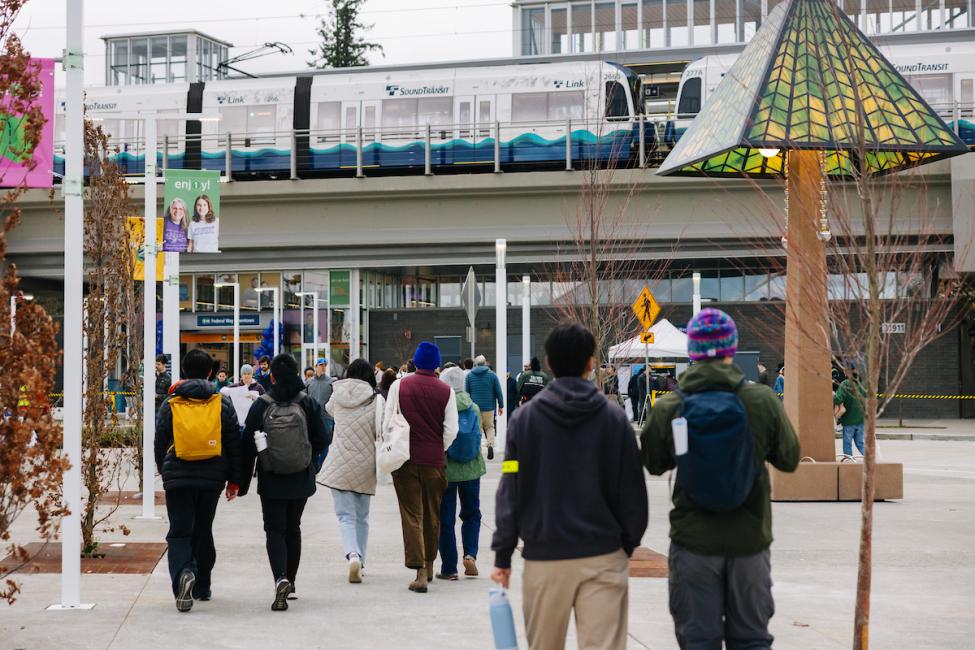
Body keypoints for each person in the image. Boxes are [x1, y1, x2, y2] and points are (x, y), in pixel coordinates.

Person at [641, 308, 800, 650]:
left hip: (693, 544)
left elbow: (653, 463)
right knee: (752, 640)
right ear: (732, 349)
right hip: (749, 543)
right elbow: (789, 459)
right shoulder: (762, 400)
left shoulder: (671, 406)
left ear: (692, 352)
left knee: (698, 641)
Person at [491, 323, 648, 650]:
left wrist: (503, 553)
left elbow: (511, 490)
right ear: (592, 362)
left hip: (544, 558)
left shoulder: (524, 421)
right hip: (604, 555)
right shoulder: (614, 419)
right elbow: (633, 490)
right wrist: (626, 545)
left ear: (548, 362)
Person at [240, 353, 331, 611]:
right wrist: (308, 457)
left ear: (272, 376)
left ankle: (279, 577)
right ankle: (290, 582)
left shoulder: (262, 403)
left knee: (274, 529)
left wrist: (242, 480)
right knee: (293, 528)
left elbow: (247, 442)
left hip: (271, 477)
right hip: (300, 476)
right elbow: (323, 438)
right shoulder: (308, 403)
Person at [154, 349, 242, 612]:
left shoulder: (170, 403)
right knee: (203, 529)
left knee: (180, 531)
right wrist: (234, 480)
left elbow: (160, 441)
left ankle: (183, 573)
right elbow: (234, 444)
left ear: (184, 370)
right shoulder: (221, 403)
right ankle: (202, 585)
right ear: (209, 373)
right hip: (211, 478)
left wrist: (165, 470)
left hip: (178, 477)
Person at [385, 341, 458, 593]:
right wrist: (439, 448)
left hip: (405, 460)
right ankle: (428, 564)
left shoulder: (398, 386)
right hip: (434, 462)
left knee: (412, 515)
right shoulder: (446, 391)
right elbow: (451, 430)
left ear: (415, 362)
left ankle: (418, 573)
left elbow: (387, 424)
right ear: (436, 364)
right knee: (432, 514)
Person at [320, 359, 383, 583]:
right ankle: (361, 561)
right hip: (366, 464)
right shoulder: (376, 400)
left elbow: (328, 410)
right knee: (362, 517)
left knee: (345, 516)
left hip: (340, 462)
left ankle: (352, 555)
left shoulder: (337, 395)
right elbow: (380, 429)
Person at [437, 366, 486, 581]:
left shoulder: (442, 407)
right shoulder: (473, 407)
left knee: (445, 519)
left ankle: (449, 568)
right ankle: (470, 555)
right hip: (472, 469)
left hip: (448, 469)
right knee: (472, 514)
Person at [464, 355, 504, 460]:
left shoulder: (470, 376)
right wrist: (501, 405)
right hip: (489, 407)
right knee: (490, 427)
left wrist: (467, 407)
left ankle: (479, 450)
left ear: (475, 363)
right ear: (485, 363)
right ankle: (490, 444)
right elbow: (498, 392)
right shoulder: (492, 375)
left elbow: (466, 393)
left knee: (478, 429)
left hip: (474, 407)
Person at [834, 371, 867, 457]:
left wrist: (832, 395)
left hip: (849, 420)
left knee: (847, 444)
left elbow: (838, 399)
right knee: (860, 443)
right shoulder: (862, 385)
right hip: (861, 419)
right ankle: (870, 459)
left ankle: (849, 462)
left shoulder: (846, 384)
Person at [306, 358, 335, 436]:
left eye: (325, 365)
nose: (323, 367)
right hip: (313, 419)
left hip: (327, 418)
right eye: (321, 365)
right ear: (316, 367)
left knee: (327, 444)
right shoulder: (308, 382)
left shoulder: (332, 382)